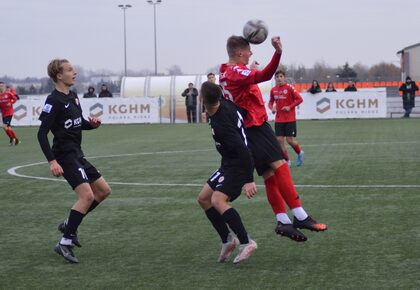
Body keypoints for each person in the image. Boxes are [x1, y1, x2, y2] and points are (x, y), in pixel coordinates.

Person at [219, 35, 327, 242]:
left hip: (247, 129)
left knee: (269, 175)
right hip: (255, 126)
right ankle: (300, 216)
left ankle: (283, 221)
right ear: (240, 52)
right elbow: (265, 75)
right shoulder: (235, 72)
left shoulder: (224, 71)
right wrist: (278, 52)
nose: (251, 53)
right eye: (249, 50)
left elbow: (241, 79)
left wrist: (249, 67)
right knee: (281, 165)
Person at [37, 59, 111, 263]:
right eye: (70, 70)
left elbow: (78, 123)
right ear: (59, 76)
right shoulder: (53, 101)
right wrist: (52, 162)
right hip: (64, 156)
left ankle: (69, 223)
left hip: (77, 153)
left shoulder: (73, 96)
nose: (74, 72)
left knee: (104, 191)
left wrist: (92, 124)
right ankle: (65, 242)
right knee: (87, 196)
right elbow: (42, 134)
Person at [197, 81, 257, 264]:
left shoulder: (223, 124)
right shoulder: (222, 103)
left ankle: (246, 242)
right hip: (228, 162)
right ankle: (227, 239)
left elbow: (244, 151)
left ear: (202, 100)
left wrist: (249, 179)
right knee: (204, 198)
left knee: (217, 200)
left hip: (238, 164)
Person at [268, 70, 304, 168]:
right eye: (277, 77)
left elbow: (300, 99)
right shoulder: (273, 90)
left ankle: (300, 153)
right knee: (279, 140)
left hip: (290, 119)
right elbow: (270, 102)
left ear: (284, 77)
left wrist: (289, 107)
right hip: (279, 119)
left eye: (281, 76)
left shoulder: (290, 88)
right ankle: (287, 160)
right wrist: (272, 108)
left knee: (290, 140)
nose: (279, 78)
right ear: (275, 78)